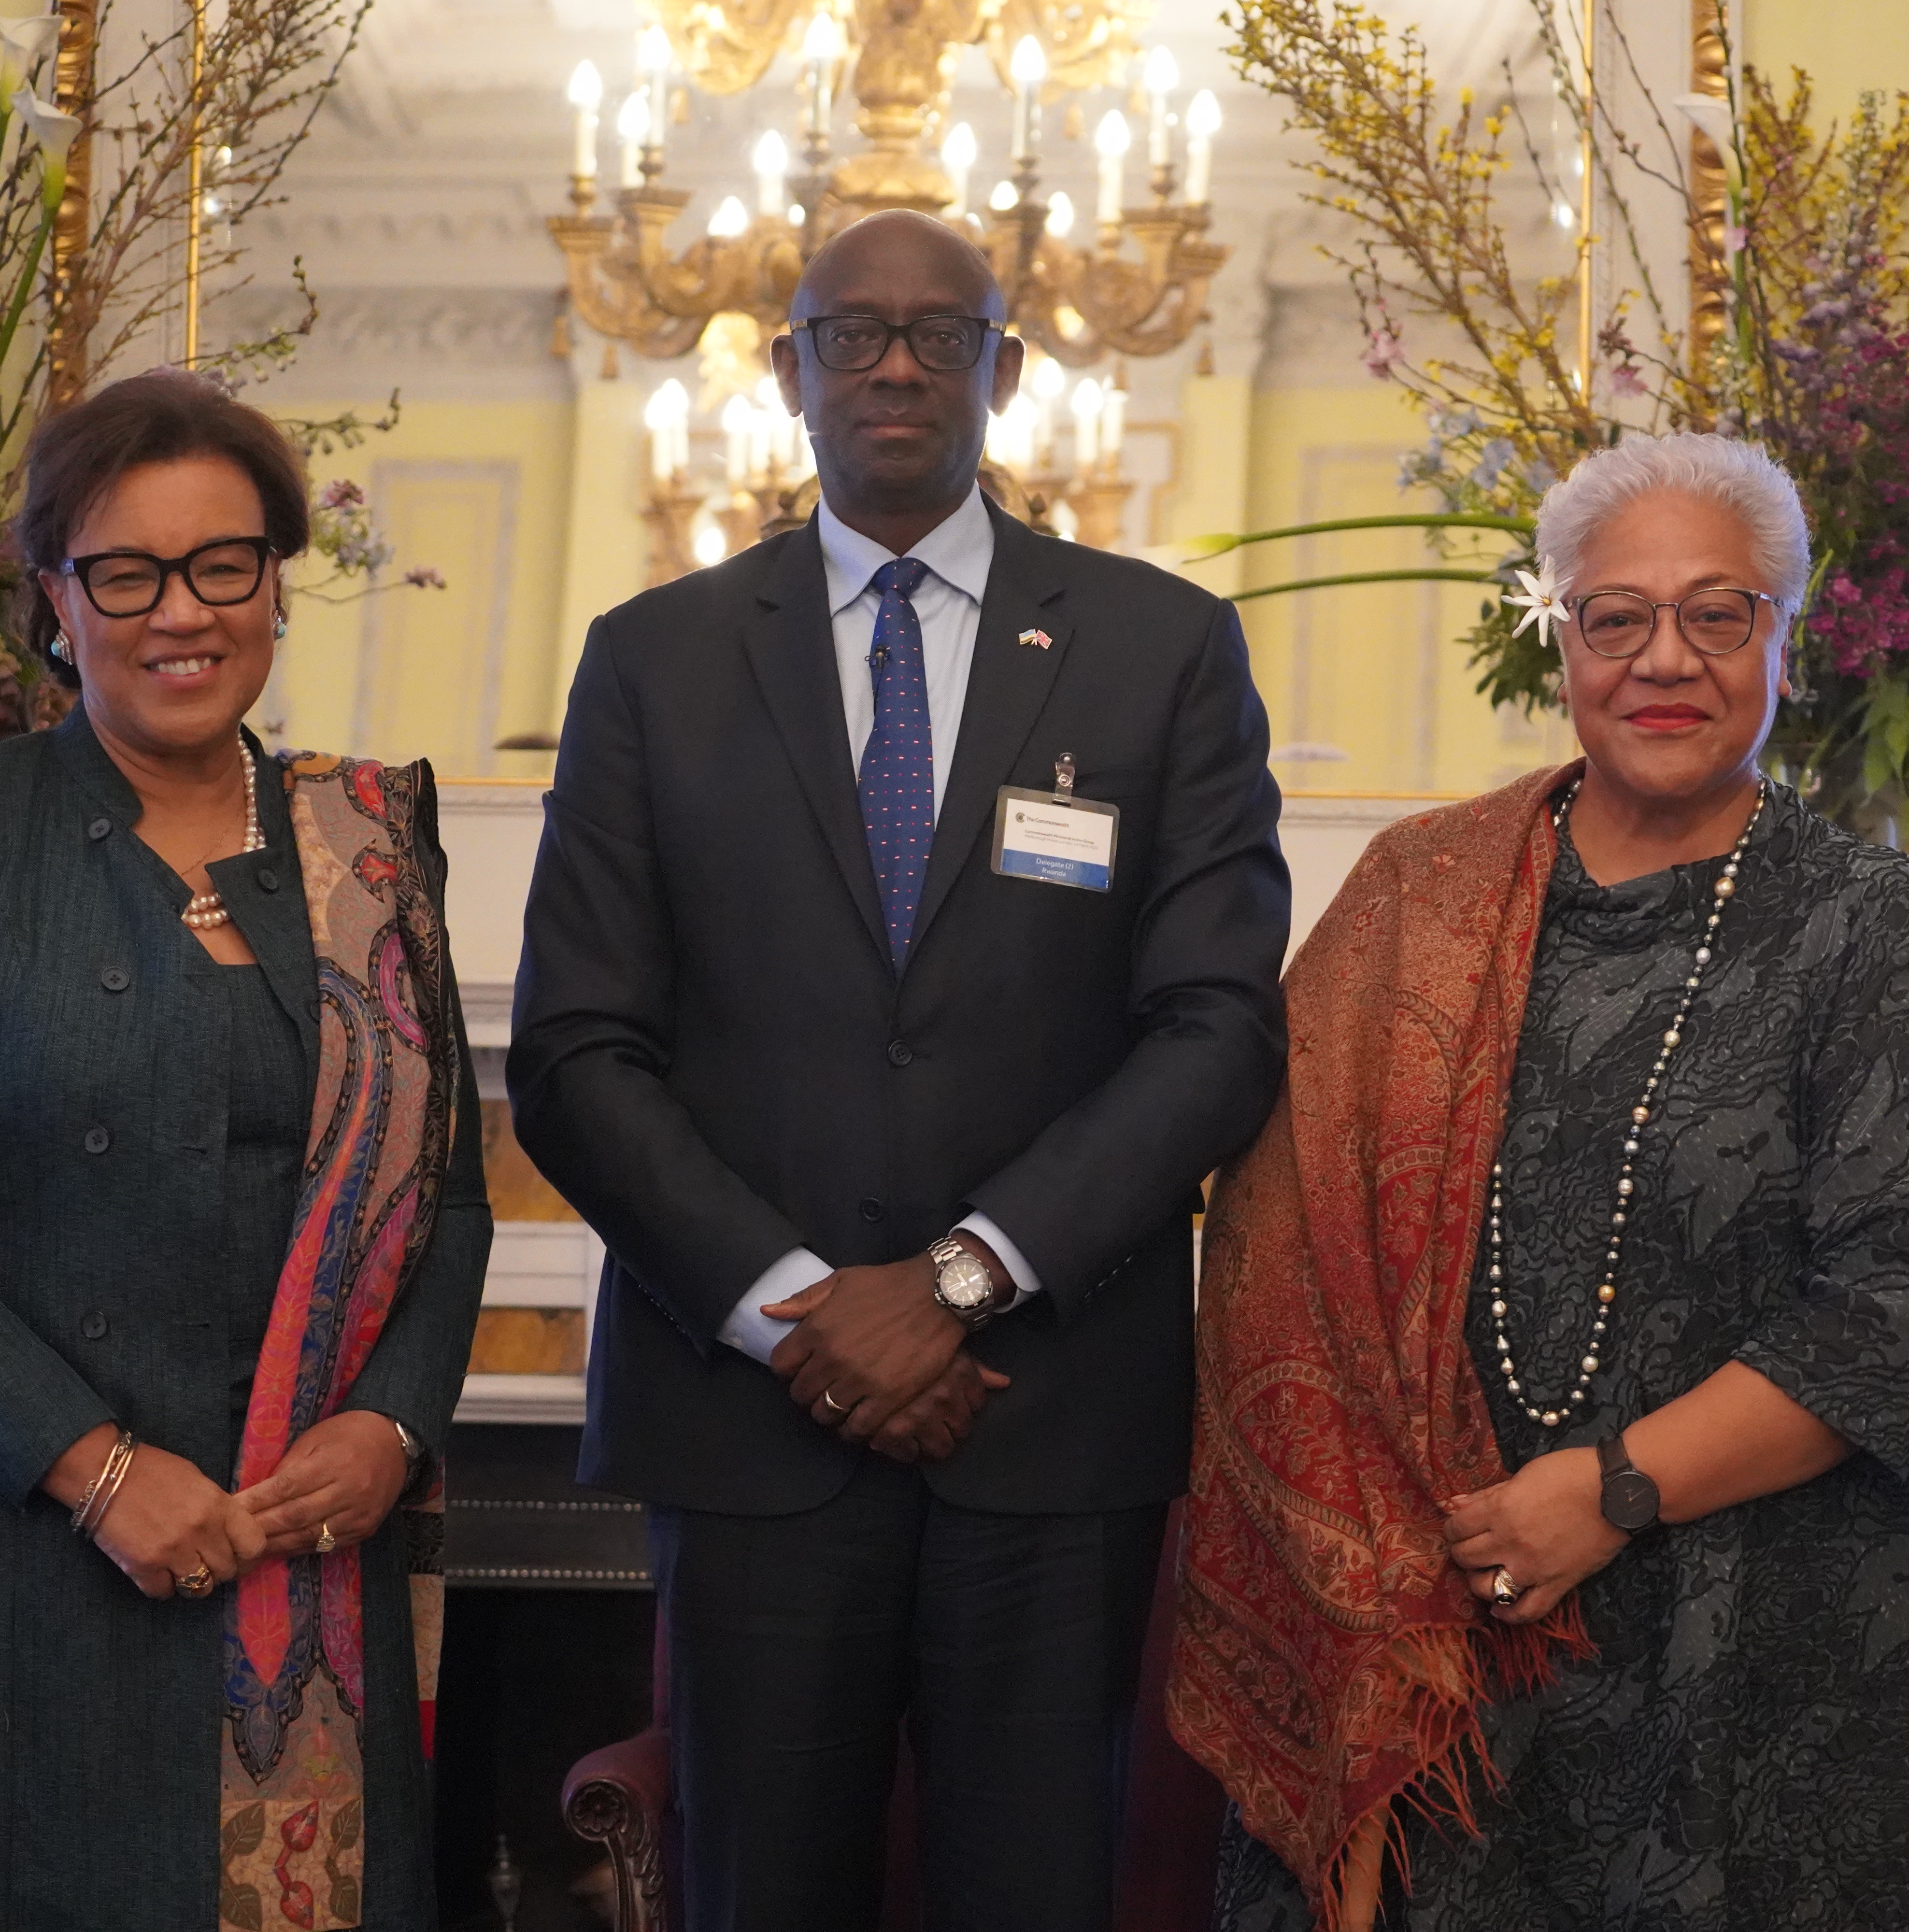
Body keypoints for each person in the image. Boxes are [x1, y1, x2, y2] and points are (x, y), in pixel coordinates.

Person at [506, 210, 1290, 1932]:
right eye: (851, 333)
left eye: (943, 336)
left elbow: (1220, 1026)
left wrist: (958, 1281)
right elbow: (575, 1049)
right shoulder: (654, 660)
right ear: (784, 367)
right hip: (752, 1419)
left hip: (1050, 1421)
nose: (895, 366)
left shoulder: (1162, 650)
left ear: (1007, 371)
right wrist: (802, 1308)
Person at [1173, 429, 1909, 1932]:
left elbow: (1903, 1308)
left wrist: (1609, 1493)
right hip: (1448, 1640)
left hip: (1774, 1657)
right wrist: (1418, 1552)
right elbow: (1284, 1244)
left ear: (1785, 637)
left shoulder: (1878, 926)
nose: (1667, 659)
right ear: (1561, 633)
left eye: (1720, 616)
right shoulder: (1416, 893)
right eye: (1617, 616)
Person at [0, 368, 491, 1932]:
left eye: (222, 564)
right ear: (56, 597)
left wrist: (389, 1427)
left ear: (275, 580)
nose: (181, 612)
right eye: (125, 572)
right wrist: (93, 1468)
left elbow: (444, 1193)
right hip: (0, 1556)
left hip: (300, 1550)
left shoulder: (372, 844)